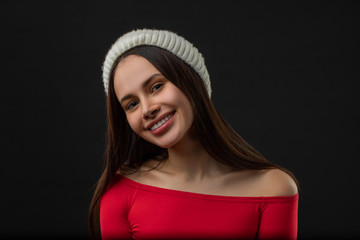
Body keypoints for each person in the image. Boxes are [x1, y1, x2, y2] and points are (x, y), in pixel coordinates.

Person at [89, 29, 299, 240]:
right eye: (132, 104)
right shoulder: (120, 191)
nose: (147, 109)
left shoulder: (273, 188)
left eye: (156, 86)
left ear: (192, 81)